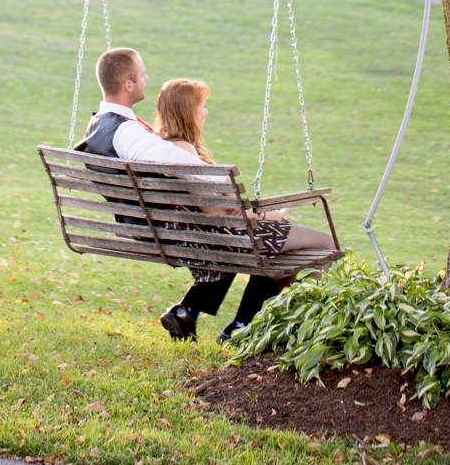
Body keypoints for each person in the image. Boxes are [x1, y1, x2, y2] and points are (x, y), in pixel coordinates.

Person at [117, 77, 337, 343]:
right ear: (188, 112)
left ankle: (245, 325)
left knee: (280, 260)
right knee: (329, 243)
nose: (206, 112)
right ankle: (286, 312)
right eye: (202, 106)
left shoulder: (163, 147)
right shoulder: (182, 152)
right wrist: (270, 214)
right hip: (231, 239)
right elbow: (218, 213)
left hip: (211, 237)